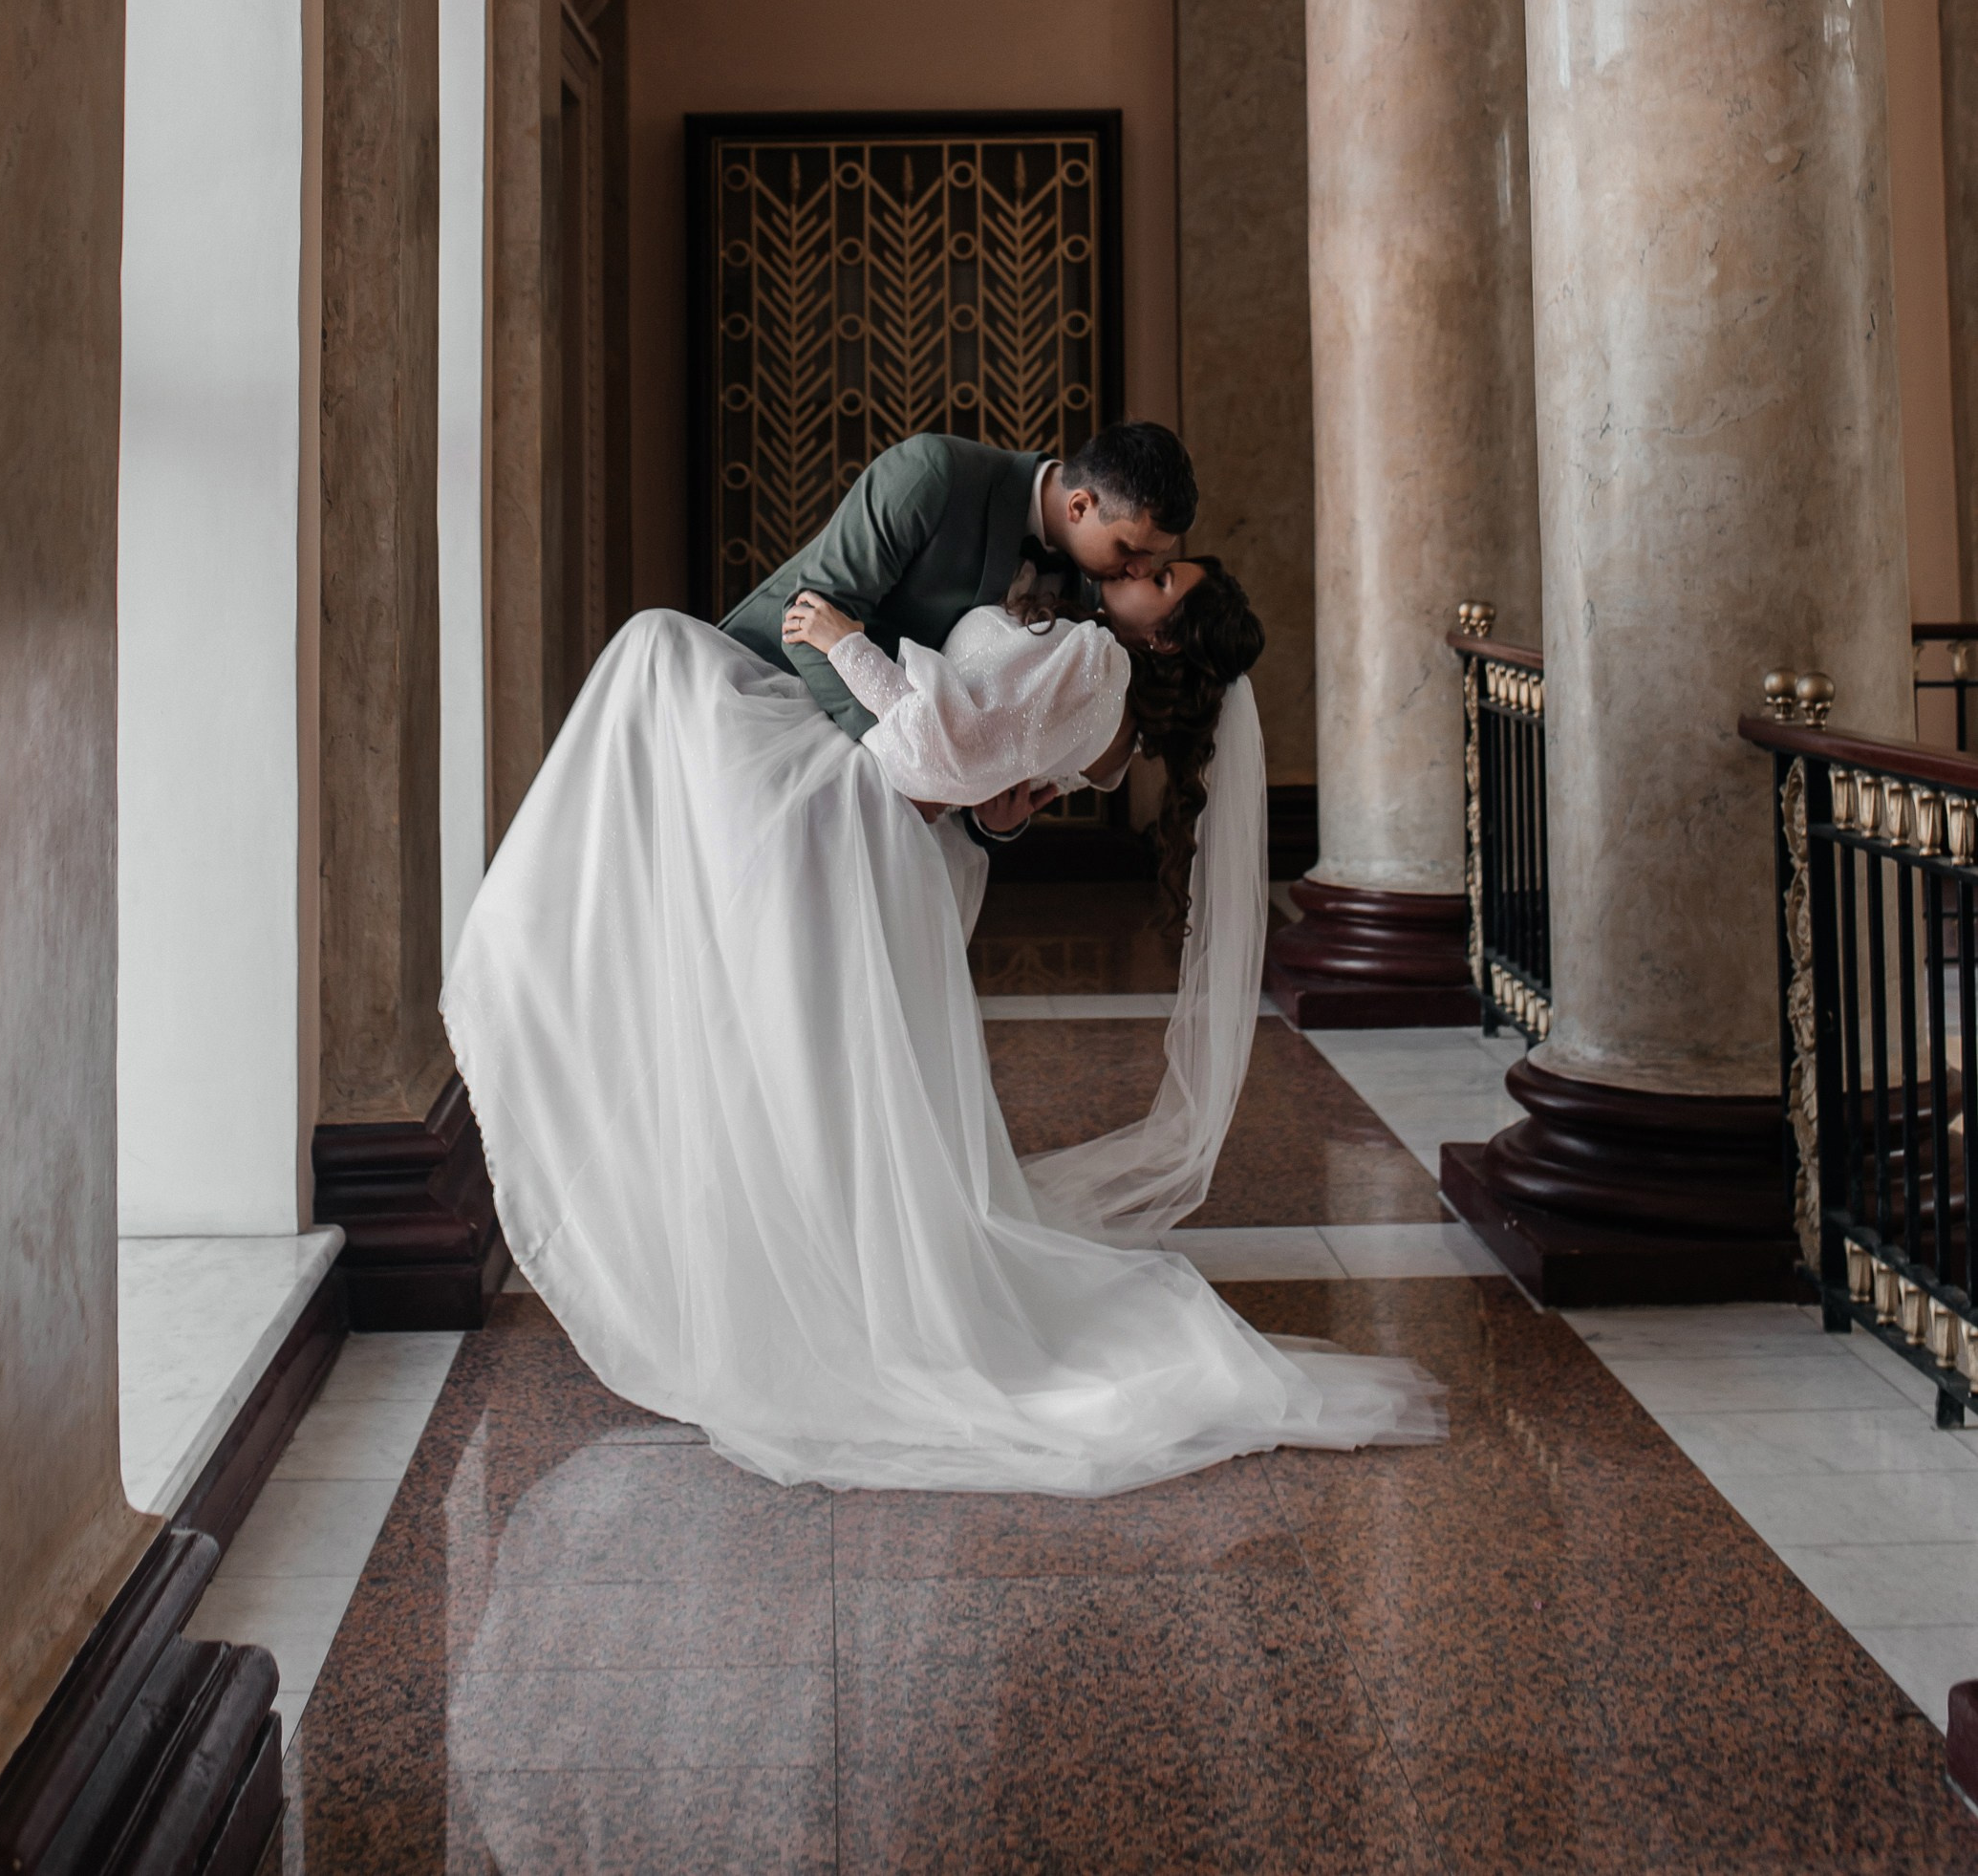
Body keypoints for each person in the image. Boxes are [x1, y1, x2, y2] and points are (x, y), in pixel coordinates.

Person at [441, 502, 1443, 1494]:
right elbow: (981, 782)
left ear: (1167, 636)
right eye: (1149, 556)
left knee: (657, 652)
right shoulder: (1110, 721)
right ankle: (791, 1255)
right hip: (889, 847)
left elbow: (940, 759)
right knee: (803, 1057)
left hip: (855, 818)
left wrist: (841, 641)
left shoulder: (1095, 661)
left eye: (1162, 577)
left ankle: (549, 1004)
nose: (1140, 566)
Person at [718, 420, 1195, 841]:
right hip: (765, 702)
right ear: (1080, 506)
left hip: (897, 798)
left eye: (1152, 559)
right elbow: (809, 613)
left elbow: (992, 744)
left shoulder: (1091, 608)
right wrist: (910, 772)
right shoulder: (934, 472)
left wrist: (996, 820)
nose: (1139, 569)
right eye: (1130, 549)